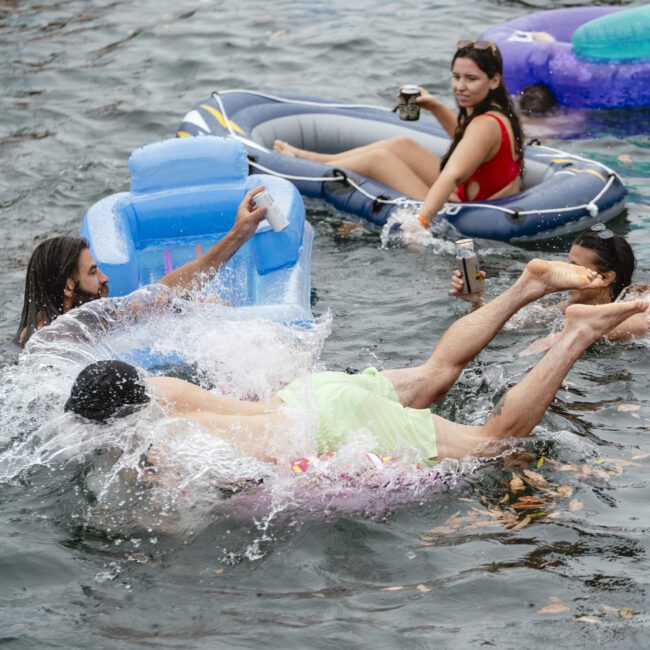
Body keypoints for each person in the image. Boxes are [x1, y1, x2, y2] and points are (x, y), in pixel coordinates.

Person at [64, 259, 649, 464]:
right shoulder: (160, 387)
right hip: (309, 396)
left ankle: (576, 334)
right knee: (433, 373)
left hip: (326, 427)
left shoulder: (159, 440)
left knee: (494, 442)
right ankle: (526, 285)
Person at [273, 40, 524, 229]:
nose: (460, 86)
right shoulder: (496, 113)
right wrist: (435, 106)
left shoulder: (485, 124)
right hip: (467, 193)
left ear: (493, 81)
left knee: (378, 160)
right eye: (456, 77)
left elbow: (452, 174)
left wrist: (421, 221)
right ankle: (311, 159)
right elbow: (465, 141)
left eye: (471, 79)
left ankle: (304, 164)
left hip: (464, 208)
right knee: (401, 144)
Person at [15, 187, 268, 347]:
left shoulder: (66, 325)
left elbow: (165, 290)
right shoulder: (56, 335)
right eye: (93, 272)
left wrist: (238, 233)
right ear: (69, 287)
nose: (105, 278)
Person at [450, 224, 649, 349]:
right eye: (567, 264)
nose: (564, 272)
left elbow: (636, 325)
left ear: (605, 278)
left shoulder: (635, 313)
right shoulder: (563, 307)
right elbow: (505, 328)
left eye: (575, 268)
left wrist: (548, 343)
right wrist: (476, 301)